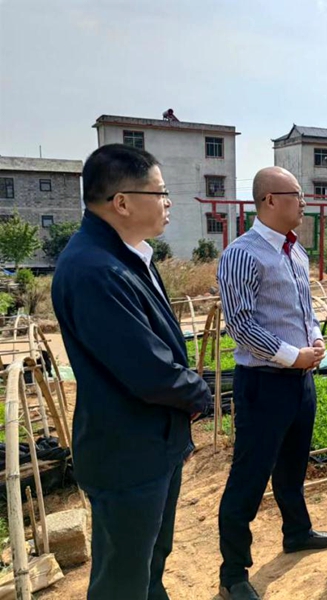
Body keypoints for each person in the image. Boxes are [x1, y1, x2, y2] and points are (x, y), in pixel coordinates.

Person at [51, 144, 212, 600]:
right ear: (122, 202)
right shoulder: (95, 270)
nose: (168, 202)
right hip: (127, 453)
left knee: (149, 564)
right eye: (159, 192)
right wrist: (199, 394)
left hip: (152, 443)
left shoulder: (130, 255)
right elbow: (149, 370)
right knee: (123, 579)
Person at [216, 166, 327, 600]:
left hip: (299, 380)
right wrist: (292, 355)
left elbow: (304, 310)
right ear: (270, 200)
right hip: (264, 383)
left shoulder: (295, 250)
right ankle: (233, 573)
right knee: (249, 477)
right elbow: (242, 326)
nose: (304, 202)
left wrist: (315, 339)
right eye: (297, 194)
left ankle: (297, 531)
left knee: (292, 466)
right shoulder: (242, 254)